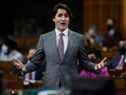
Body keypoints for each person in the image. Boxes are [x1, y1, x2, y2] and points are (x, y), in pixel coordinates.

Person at [12, 3, 107, 93]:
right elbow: (36, 62)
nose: (63, 18)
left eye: (66, 16)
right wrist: (24, 68)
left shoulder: (78, 38)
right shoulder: (44, 38)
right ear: (54, 18)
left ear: (69, 19)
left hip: (71, 84)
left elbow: (84, 62)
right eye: (60, 15)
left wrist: (96, 66)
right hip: (50, 84)